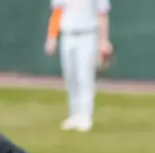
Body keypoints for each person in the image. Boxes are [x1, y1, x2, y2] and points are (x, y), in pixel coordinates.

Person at [45, 0, 113, 132]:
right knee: (70, 76)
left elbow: (102, 14)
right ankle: (74, 114)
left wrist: (103, 41)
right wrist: (52, 37)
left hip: (88, 34)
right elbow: (57, 12)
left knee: (85, 76)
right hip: (67, 34)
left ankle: (85, 115)